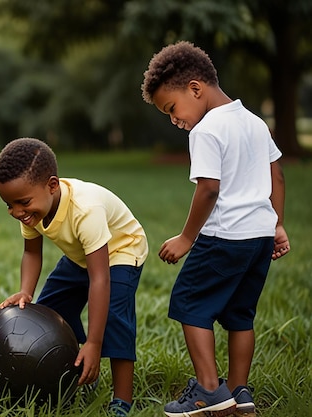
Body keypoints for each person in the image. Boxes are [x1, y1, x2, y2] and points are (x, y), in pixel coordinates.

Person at [141, 40, 290, 417]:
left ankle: (209, 390)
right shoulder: (256, 122)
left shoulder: (206, 131)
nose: (174, 120)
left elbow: (209, 188)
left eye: (172, 108)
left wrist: (187, 237)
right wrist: (278, 224)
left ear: (195, 88)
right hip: (258, 236)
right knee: (241, 316)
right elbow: (278, 177)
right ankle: (240, 393)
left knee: (190, 305)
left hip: (224, 236)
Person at [0, 138, 148, 416]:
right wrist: (25, 291)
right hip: (82, 255)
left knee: (114, 319)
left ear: (52, 185)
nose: (17, 212)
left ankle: (122, 400)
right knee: (49, 311)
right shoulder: (32, 210)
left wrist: (95, 342)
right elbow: (31, 253)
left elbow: (100, 279)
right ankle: (78, 370)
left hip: (122, 250)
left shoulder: (85, 209)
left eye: (23, 203)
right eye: (9, 205)